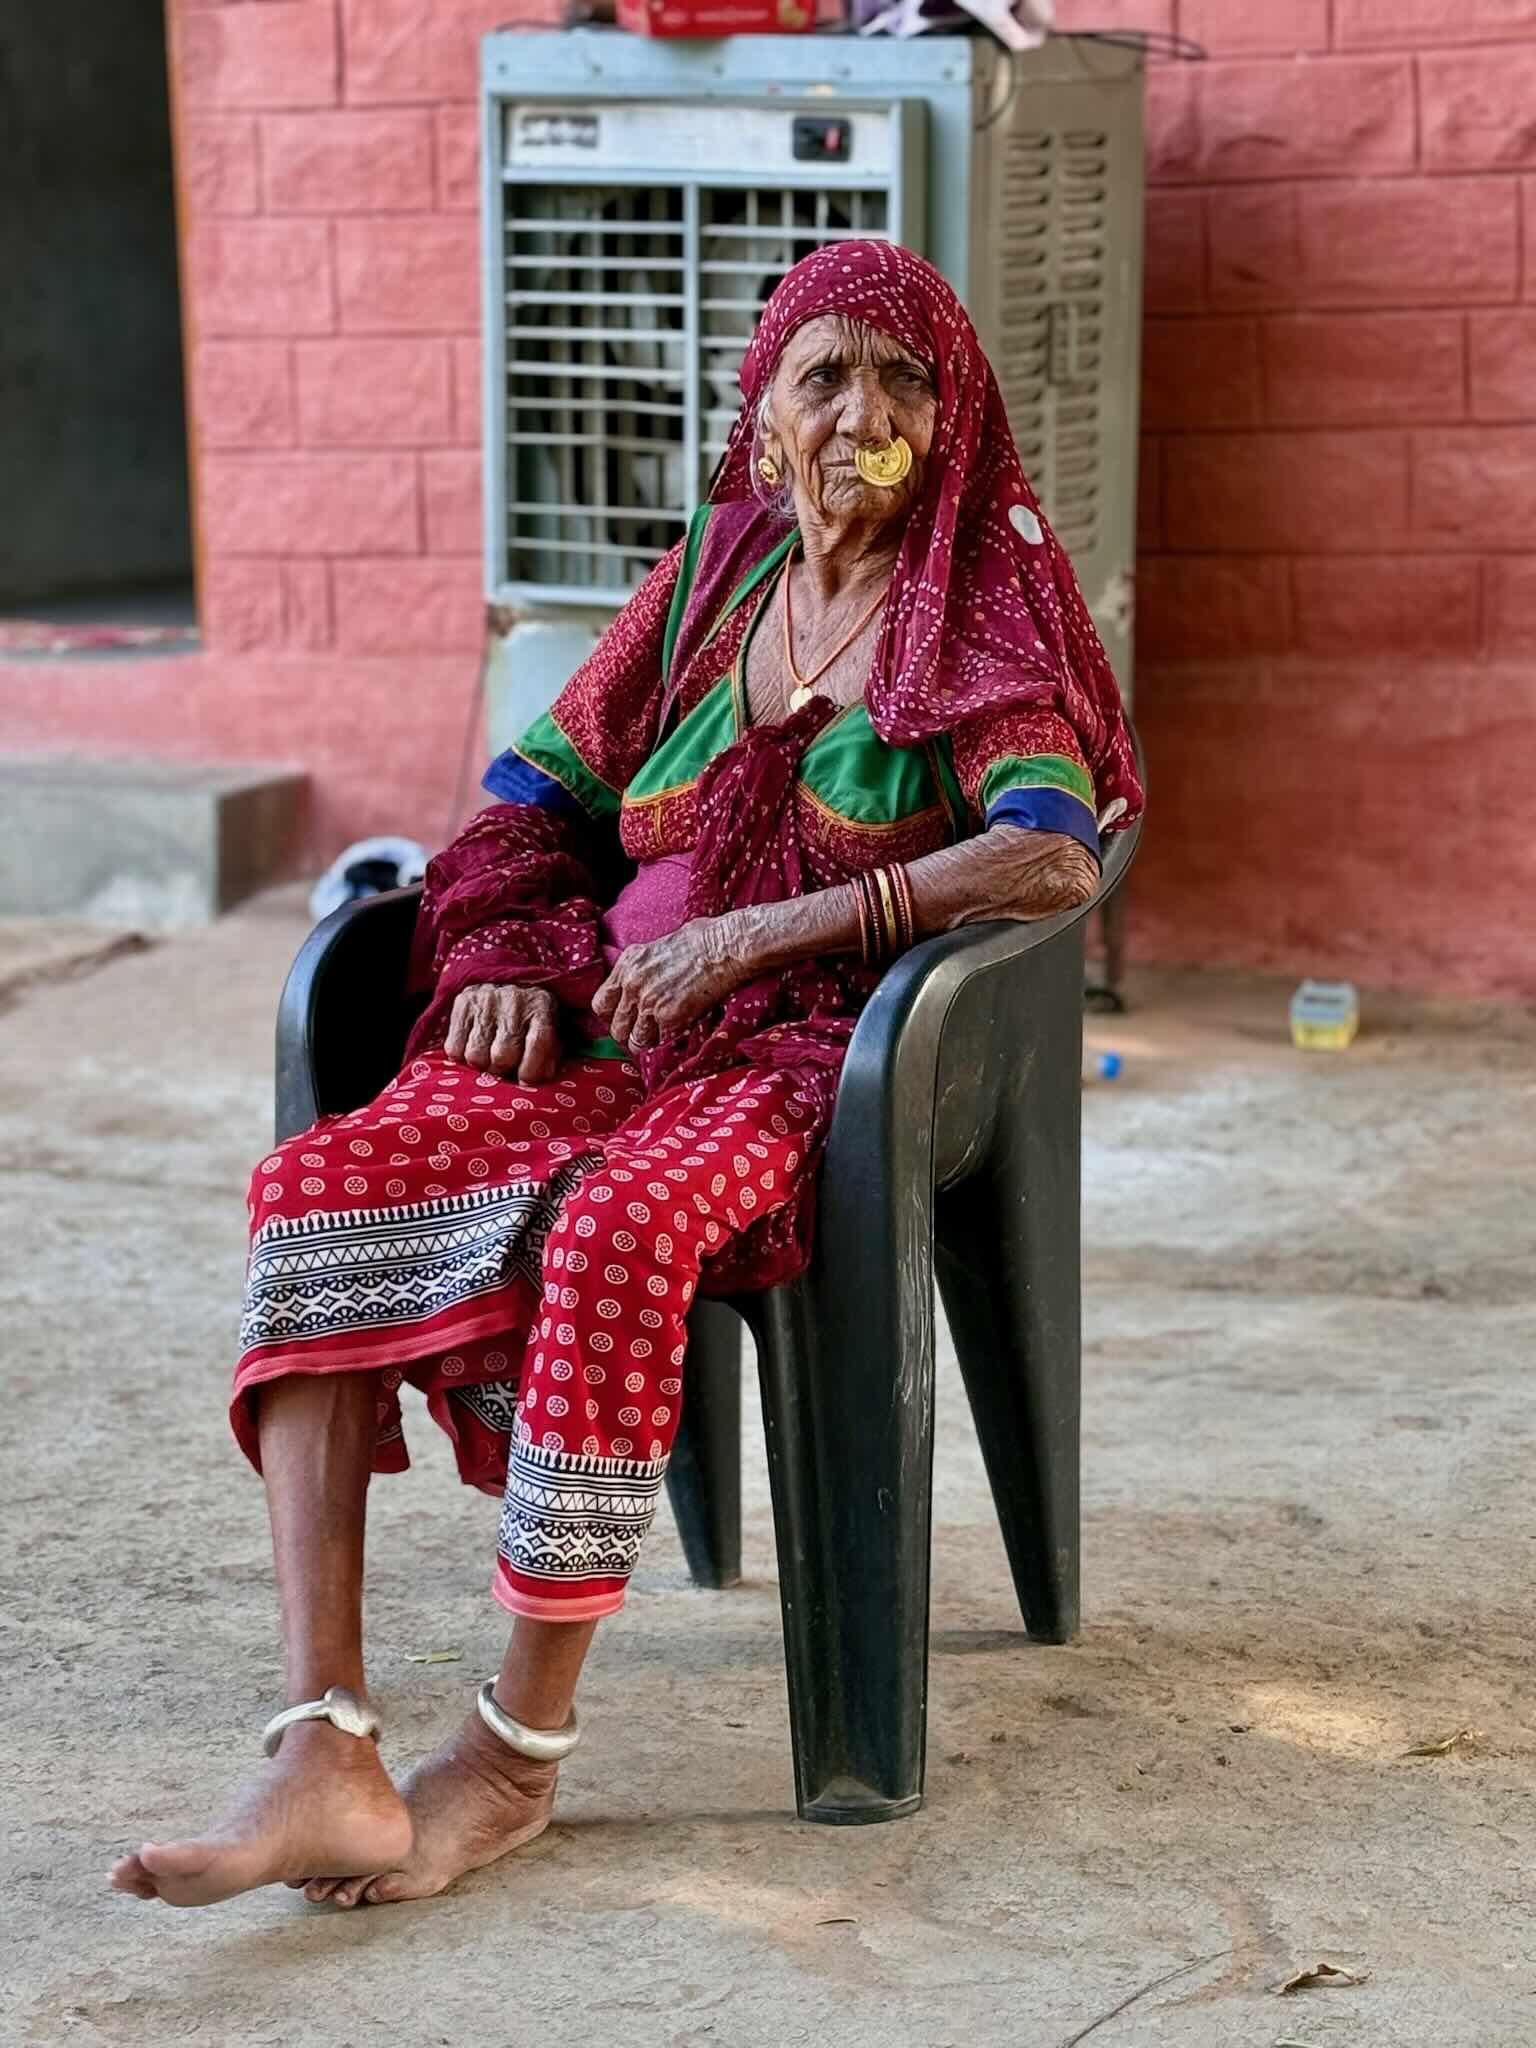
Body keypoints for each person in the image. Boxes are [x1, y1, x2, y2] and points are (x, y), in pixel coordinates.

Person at [109, 241, 1141, 1912]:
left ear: (955, 420)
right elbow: (530, 795)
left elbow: (1047, 856)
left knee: (617, 1231)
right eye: (827, 377)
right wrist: (508, 955)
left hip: (822, 1050)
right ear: (768, 413)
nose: (865, 414)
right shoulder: (718, 570)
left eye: (905, 380)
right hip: (618, 1015)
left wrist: (765, 935)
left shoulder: (982, 603)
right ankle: (322, 1744)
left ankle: (509, 1766)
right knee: (323, 1181)